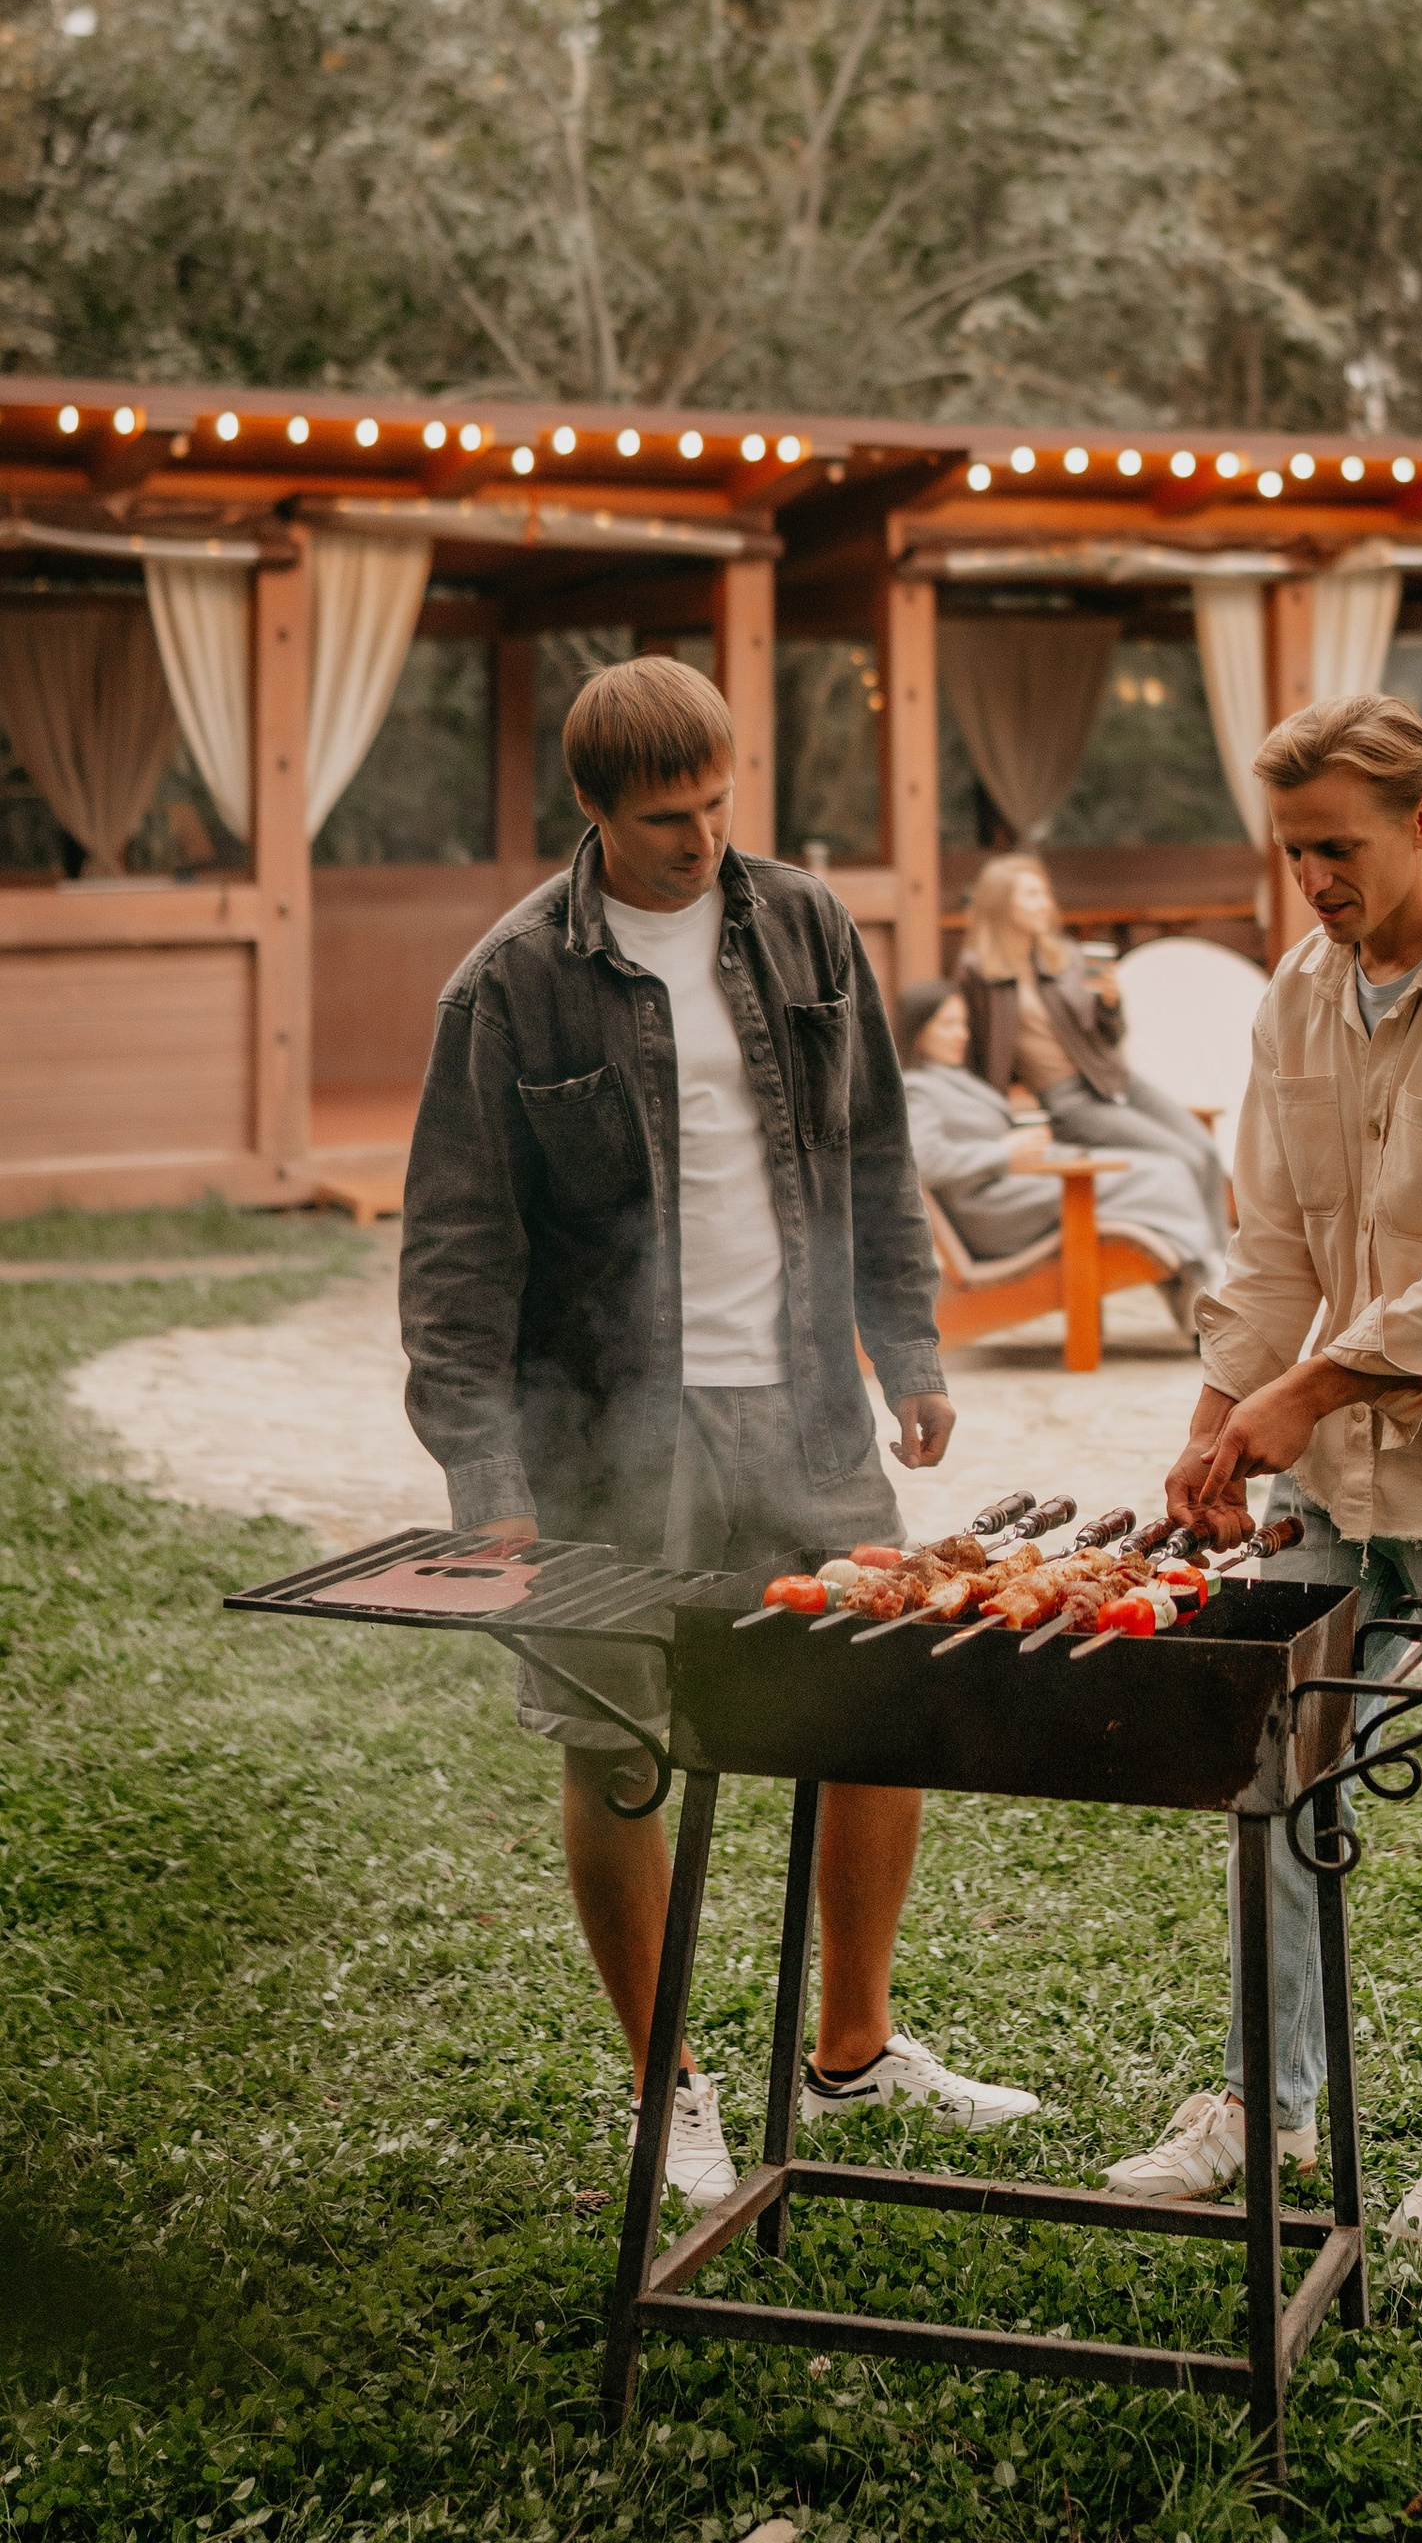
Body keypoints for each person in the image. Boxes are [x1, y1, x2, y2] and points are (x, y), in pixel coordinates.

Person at [398, 657, 1038, 2219]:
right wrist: (486, 1477)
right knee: (618, 1747)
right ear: (593, 810)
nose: (702, 841)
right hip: (607, 1436)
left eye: (719, 803)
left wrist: (908, 1347)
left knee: (881, 1702)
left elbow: (874, 1147)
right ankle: (663, 2084)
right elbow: (457, 1253)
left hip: (806, 1403)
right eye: (667, 819)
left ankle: (854, 2049)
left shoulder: (804, 924)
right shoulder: (508, 983)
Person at [1101, 690, 1422, 2253]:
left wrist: (1302, 1393)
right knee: (1278, 1771)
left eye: (1340, 849)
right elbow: (1270, 1249)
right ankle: (1268, 2099)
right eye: (1293, 853)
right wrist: (1215, 1424)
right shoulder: (1297, 996)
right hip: (1329, 1468)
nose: (1314, 881)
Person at [897, 973, 1222, 1306]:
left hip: (1021, 1189)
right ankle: (1203, 1278)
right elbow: (924, 1161)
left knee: (1163, 1169)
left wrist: (1035, 1147)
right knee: (1160, 1175)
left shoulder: (949, 1078)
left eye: (963, 1024)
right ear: (918, 1030)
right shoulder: (917, 1090)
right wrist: (1003, 1152)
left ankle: (1193, 1279)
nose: (962, 1034)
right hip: (998, 1209)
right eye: (948, 1025)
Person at [957, 852, 1227, 1239]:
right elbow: (974, 1051)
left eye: (1045, 894)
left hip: (1116, 1079)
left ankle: (1219, 1257)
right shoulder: (977, 972)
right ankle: (1202, 1256)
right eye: (1031, 895)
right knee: (1183, 1159)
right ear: (1001, 903)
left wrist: (1109, 1004)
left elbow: (1109, 1037)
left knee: (1206, 1150)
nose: (1045, 904)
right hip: (1069, 1099)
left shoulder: (1062, 956)